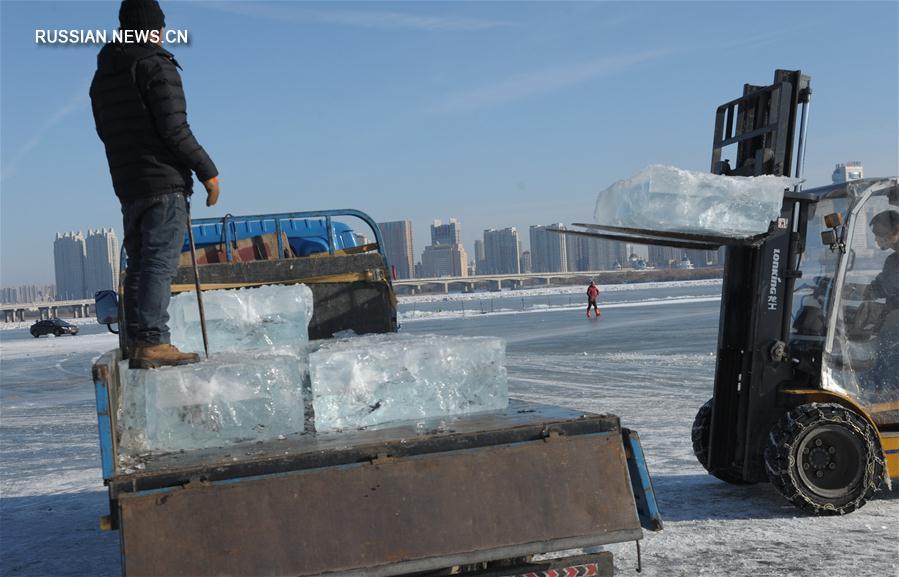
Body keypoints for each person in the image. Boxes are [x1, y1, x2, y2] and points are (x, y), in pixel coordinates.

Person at [90, 0, 220, 369]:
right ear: (152, 28)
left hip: (129, 185)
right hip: (163, 183)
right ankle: (152, 341)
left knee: (140, 265)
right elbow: (174, 128)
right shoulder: (154, 65)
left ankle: (135, 341)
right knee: (159, 265)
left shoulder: (104, 75)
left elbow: (107, 131)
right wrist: (207, 171)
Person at [863, 209, 899, 392]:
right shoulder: (893, 260)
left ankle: (886, 391)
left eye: (880, 234)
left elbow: (888, 289)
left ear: (896, 230)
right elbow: (880, 285)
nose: (876, 239)